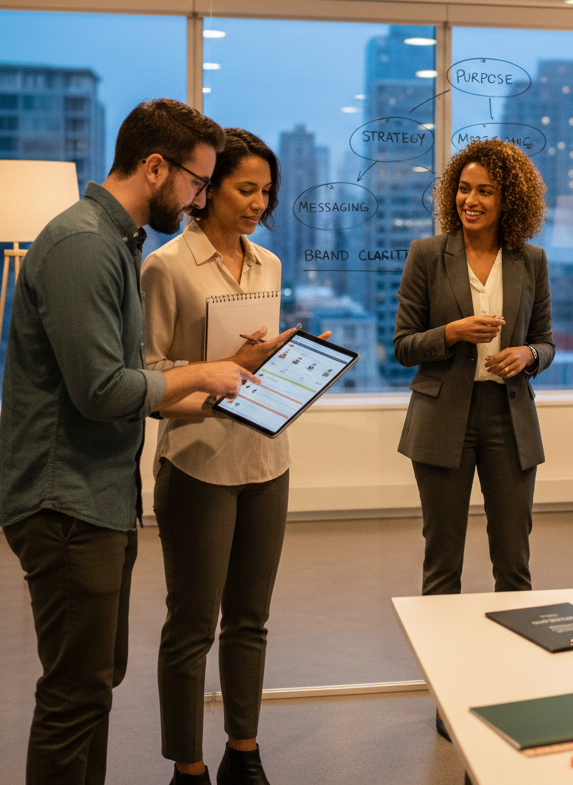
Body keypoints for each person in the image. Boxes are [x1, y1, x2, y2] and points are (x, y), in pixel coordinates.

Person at [0, 99, 266, 785]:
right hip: (66, 502)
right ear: (155, 167)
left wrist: (197, 389)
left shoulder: (114, 241)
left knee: (93, 685)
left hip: (98, 497)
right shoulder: (86, 244)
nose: (200, 199)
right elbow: (99, 390)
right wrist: (198, 373)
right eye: (198, 183)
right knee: (73, 695)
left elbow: (125, 378)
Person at [141, 129, 315, 785]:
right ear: (207, 190)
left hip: (267, 457)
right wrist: (221, 373)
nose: (257, 203)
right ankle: (187, 766)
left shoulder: (267, 264)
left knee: (251, 618)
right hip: (197, 462)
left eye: (266, 192)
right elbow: (150, 381)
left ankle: (244, 751)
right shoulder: (165, 267)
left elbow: (255, 362)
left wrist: (296, 365)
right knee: (192, 623)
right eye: (246, 189)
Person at [394, 140, 554, 604]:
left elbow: (546, 341)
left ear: (509, 199)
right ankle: (445, 669)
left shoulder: (532, 260)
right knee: (442, 564)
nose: (471, 200)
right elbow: (403, 346)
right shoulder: (426, 254)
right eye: (463, 189)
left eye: (485, 191)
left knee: (513, 563)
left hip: (509, 418)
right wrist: (452, 333)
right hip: (443, 419)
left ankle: (515, 671)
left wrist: (527, 356)